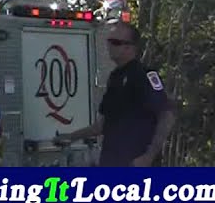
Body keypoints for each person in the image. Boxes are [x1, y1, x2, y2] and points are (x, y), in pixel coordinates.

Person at [55, 21, 174, 166]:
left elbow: (167, 116)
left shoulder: (143, 75)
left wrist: (148, 156)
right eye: (109, 41)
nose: (110, 46)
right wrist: (71, 137)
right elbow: (100, 126)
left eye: (116, 42)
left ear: (130, 47)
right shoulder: (115, 78)